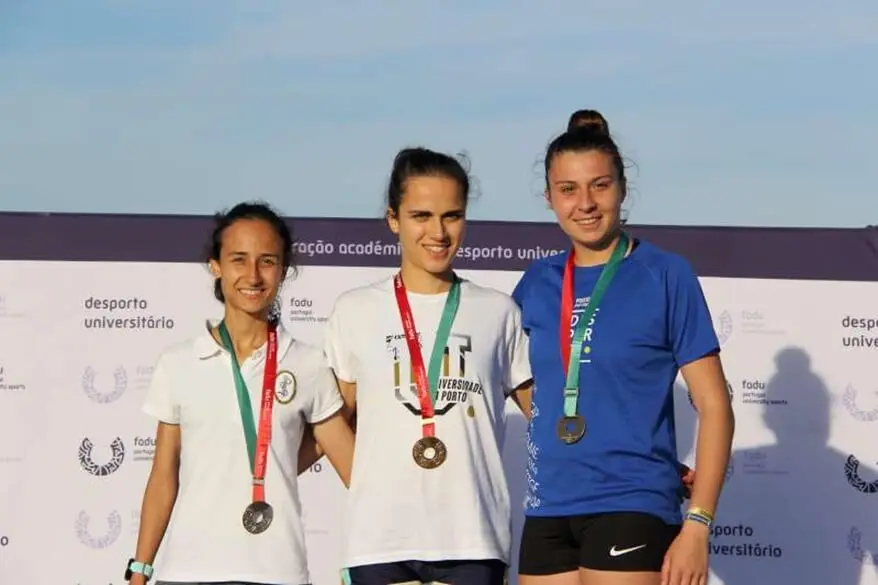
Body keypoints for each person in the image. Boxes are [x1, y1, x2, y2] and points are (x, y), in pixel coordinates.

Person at [513, 115, 735, 585]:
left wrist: (698, 525)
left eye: (600, 185)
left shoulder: (665, 274)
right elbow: (520, 379)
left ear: (622, 187)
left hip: (632, 502)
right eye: (568, 189)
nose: (586, 203)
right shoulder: (536, 282)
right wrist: (600, 431)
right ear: (549, 197)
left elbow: (715, 406)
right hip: (549, 505)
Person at [298, 147, 534, 585]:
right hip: (380, 541)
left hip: (472, 538)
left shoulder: (497, 312)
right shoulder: (355, 311)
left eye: (452, 215)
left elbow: (547, 415)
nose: (438, 232)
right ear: (393, 219)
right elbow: (332, 421)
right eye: (421, 215)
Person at [125, 202, 355, 585]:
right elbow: (164, 474)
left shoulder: (308, 363)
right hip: (187, 572)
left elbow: (354, 471)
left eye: (267, 261)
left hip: (278, 574)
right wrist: (140, 569)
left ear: (283, 270)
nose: (252, 275)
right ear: (216, 265)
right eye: (238, 259)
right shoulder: (178, 362)